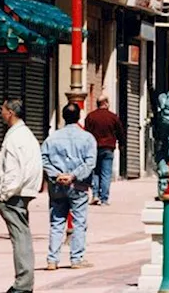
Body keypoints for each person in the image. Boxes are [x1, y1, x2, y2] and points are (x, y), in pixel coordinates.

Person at [0, 99, 43, 293]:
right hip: (24, 191)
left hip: (15, 194)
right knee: (23, 238)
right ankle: (24, 282)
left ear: (10, 112)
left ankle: (23, 284)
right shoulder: (27, 136)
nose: (1, 113)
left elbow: (12, 170)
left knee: (20, 239)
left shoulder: (15, 138)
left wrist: (5, 193)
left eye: (2, 110)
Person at [41, 101, 97, 270]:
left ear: (63, 116)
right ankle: (76, 258)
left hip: (57, 186)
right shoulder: (87, 138)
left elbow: (43, 159)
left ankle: (52, 259)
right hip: (78, 186)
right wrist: (73, 176)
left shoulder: (52, 138)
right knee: (79, 222)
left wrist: (57, 175)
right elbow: (90, 163)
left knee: (57, 221)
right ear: (79, 116)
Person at [82, 96, 124, 206]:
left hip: (94, 148)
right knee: (106, 173)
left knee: (95, 172)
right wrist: (121, 144)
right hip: (108, 148)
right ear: (106, 103)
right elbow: (120, 132)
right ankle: (104, 198)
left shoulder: (90, 117)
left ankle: (95, 195)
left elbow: (86, 133)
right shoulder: (113, 117)